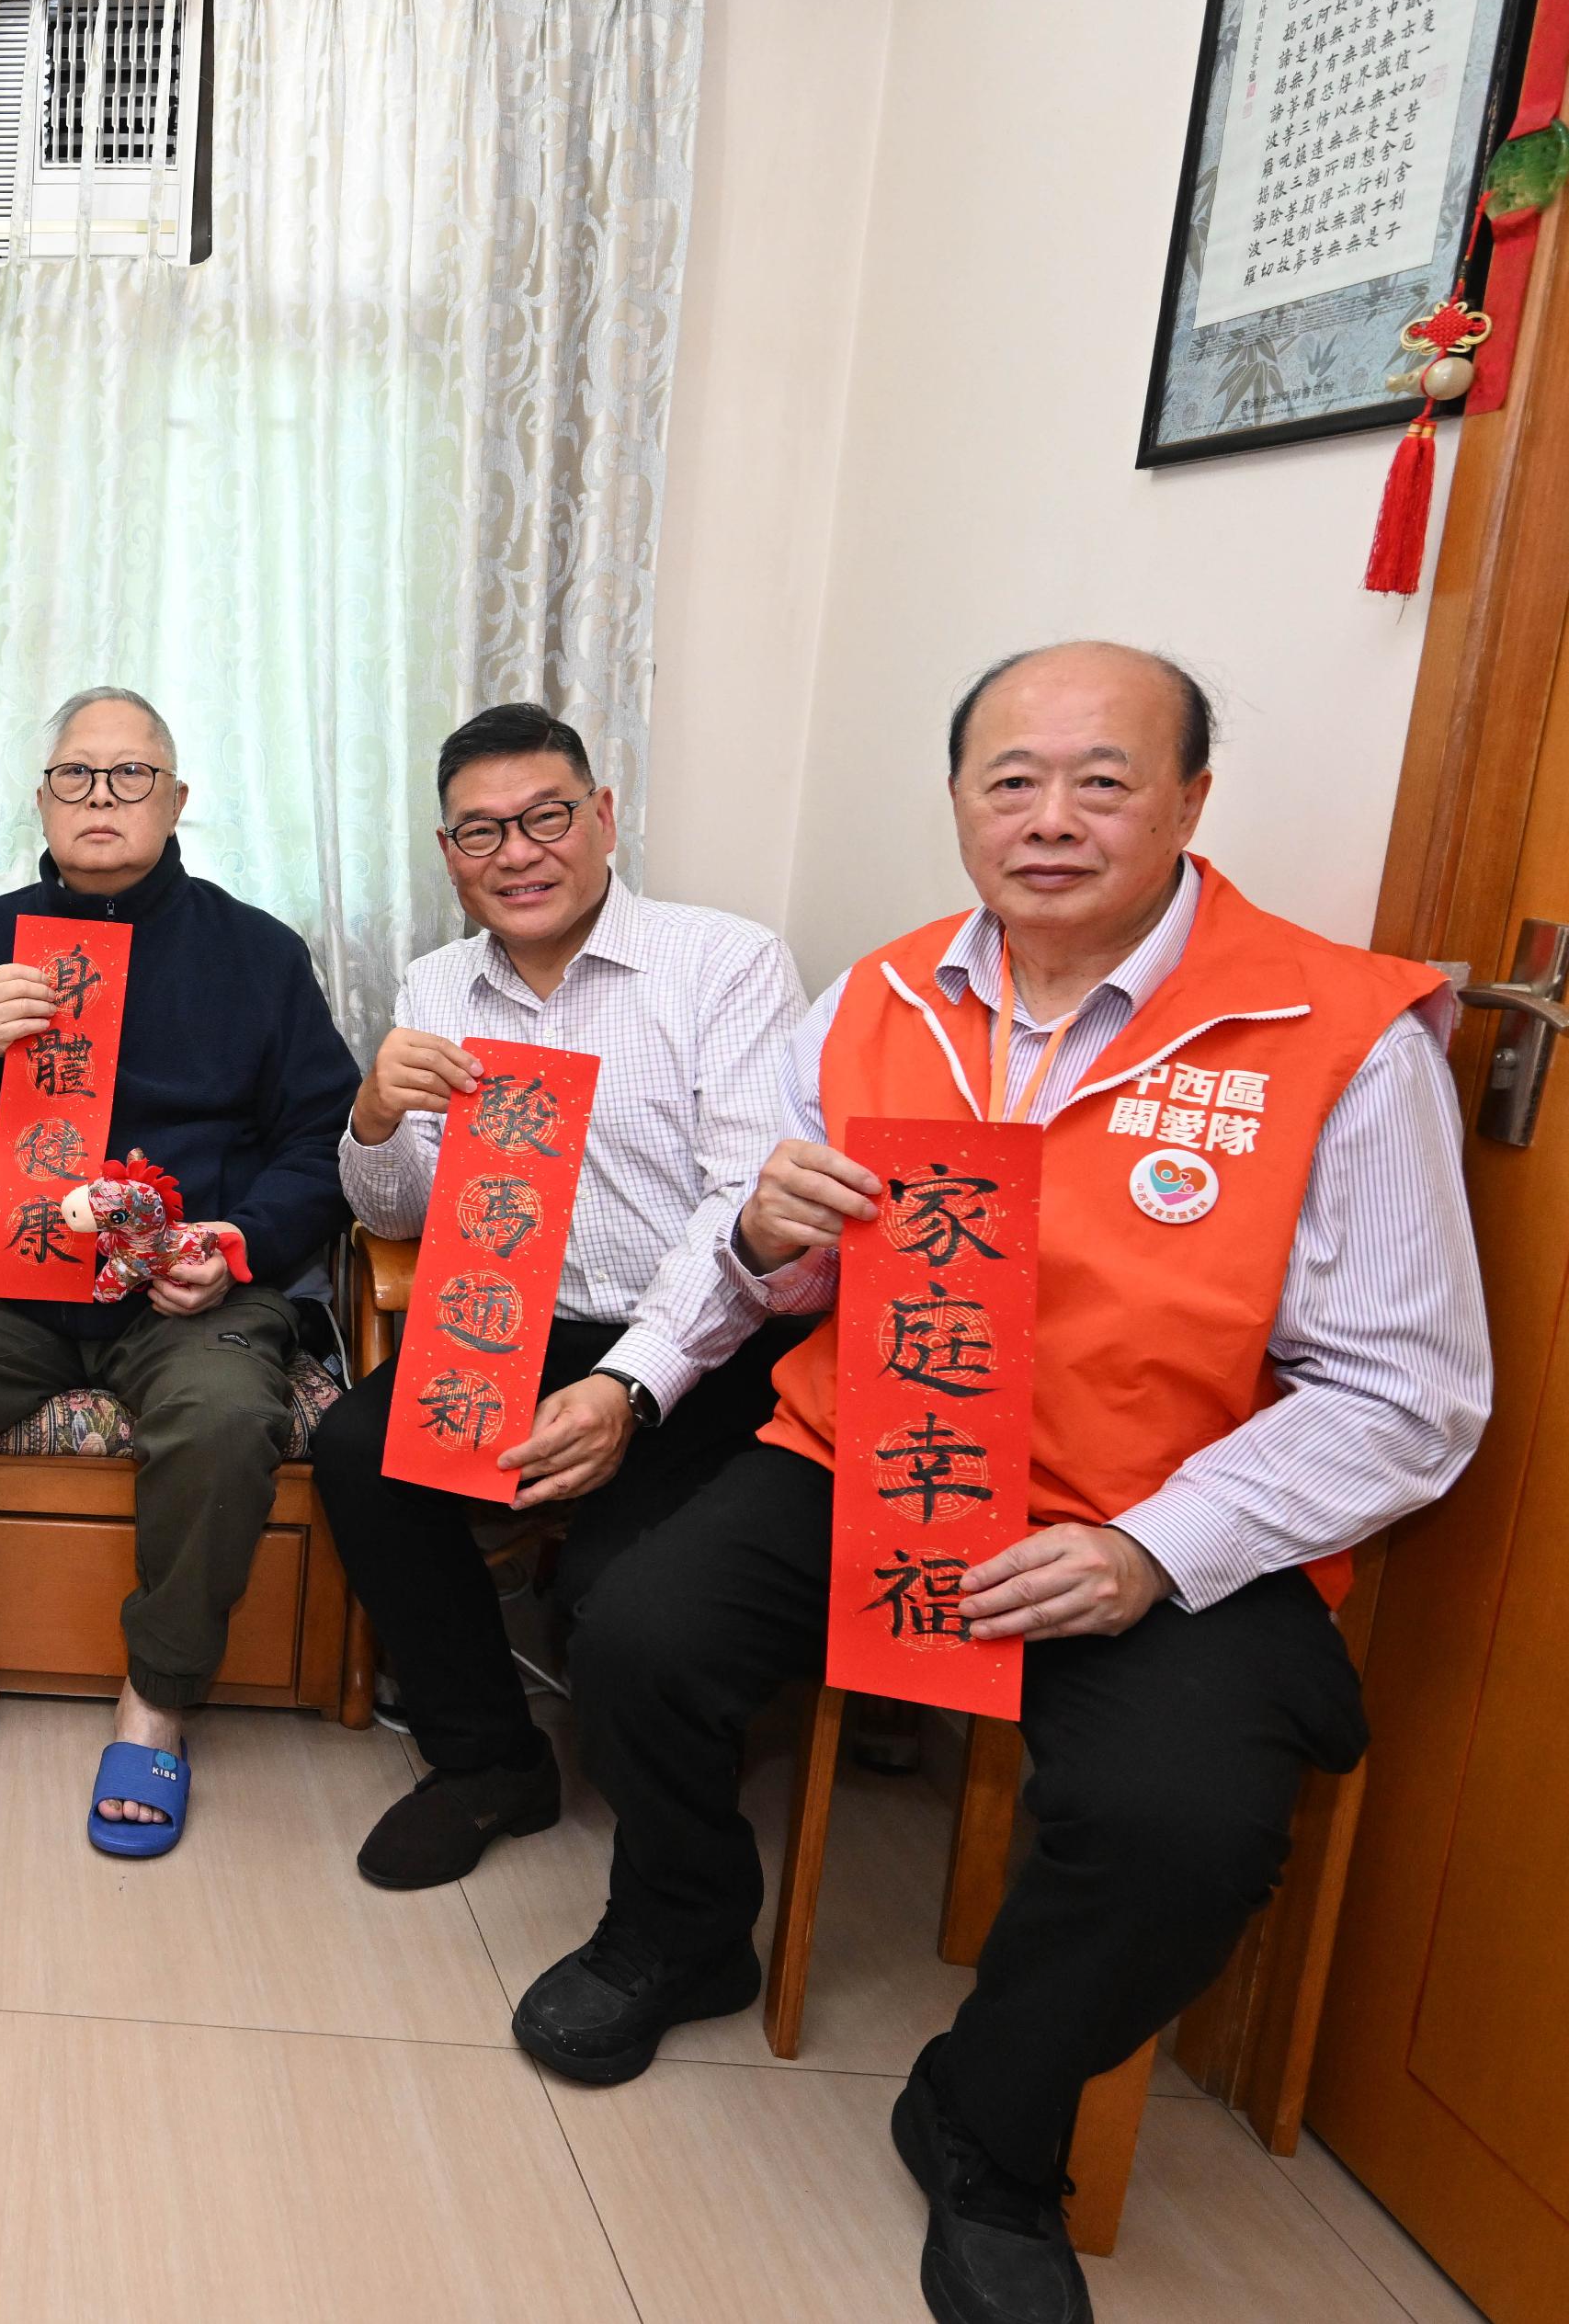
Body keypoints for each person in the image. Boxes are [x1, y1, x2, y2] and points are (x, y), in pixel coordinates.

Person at [517, 644, 1485, 2324]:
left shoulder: (1331, 1030)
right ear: (959, 801)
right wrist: (753, 1245)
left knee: (1185, 1823)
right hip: (880, 1454)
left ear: (1189, 800)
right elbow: (771, 1251)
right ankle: (681, 1928)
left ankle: (989, 2116)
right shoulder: (881, 996)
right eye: (1010, 781)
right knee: (636, 1623)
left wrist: (1151, 1548)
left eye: (1102, 781)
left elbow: (1411, 1392)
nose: (1050, 819)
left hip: (1164, 1512)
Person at [0, 688, 358, 1855]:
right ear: (41, 800)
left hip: (184, 1290)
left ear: (176, 800)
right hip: (3, 1280)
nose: (101, 798)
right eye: (75, 776)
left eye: (131, 776)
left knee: (226, 1411)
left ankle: (159, 1697)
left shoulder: (257, 953)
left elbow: (320, 1145)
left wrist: (233, 1245)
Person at [313, 703, 809, 1889]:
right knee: (359, 1450)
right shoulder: (437, 983)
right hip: (513, 1323)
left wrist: (628, 1386)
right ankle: (487, 1759)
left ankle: (668, 1814)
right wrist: (372, 1118)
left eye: (545, 817)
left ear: (602, 817)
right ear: (449, 855)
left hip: (706, 1341)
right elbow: (395, 1217)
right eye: (481, 832)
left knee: (607, 1597)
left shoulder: (723, 961)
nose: (518, 854)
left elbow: (749, 1209)